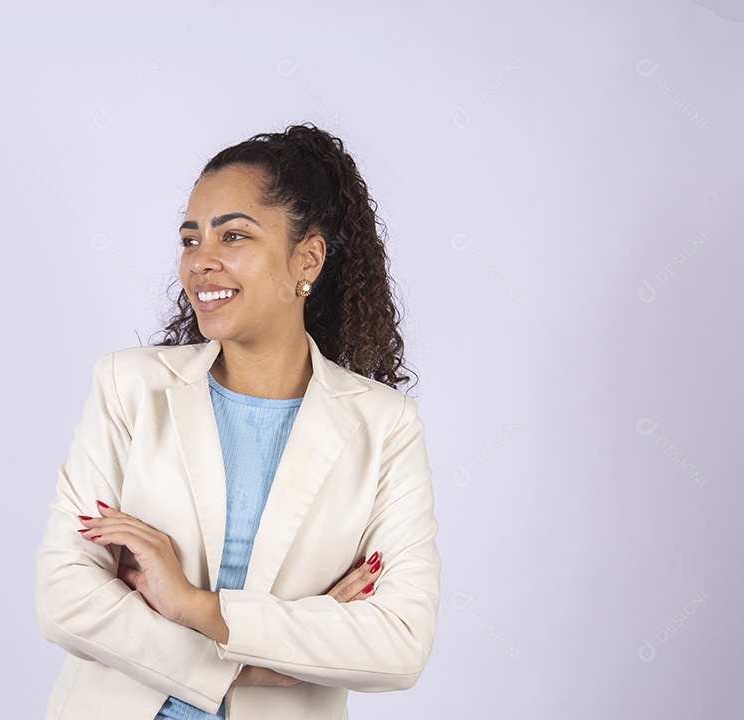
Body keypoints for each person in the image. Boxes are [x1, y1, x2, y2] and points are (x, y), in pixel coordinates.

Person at [35, 123, 441, 719]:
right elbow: (64, 595)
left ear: (308, 257)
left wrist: (193, 606)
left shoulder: (385, 427)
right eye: (191, 238)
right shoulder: (129, 388)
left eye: (233, 236)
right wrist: (252, 662)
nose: (202, 262)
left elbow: (400, 643)